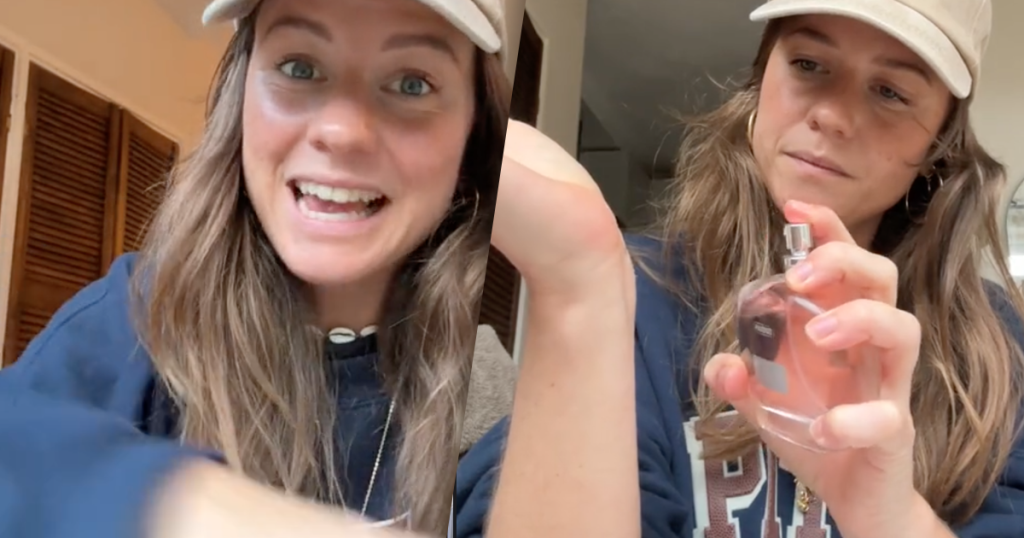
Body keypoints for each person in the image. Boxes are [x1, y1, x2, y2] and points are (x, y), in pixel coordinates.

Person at [456, 0, 1024, 536]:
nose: (831, 115)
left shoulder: (997, 350)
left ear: (939, 142)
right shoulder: (635, 293)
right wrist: (579, 287)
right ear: (760, 79)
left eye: (891, 92)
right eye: (808, 64)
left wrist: (892, 518)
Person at [0, 0, 517, 536]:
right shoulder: (139, 315)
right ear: (241, 95)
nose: (342, 131)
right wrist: (183, 502)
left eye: (412, 84)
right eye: (299, 67)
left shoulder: (488, 404)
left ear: (474, 131)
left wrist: (571, 278)